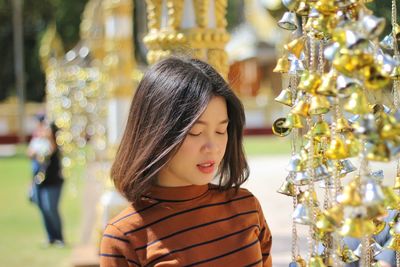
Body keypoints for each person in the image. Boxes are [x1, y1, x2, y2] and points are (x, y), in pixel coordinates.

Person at [100, 57, 272, 266]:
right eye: (195, 132)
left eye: (221, 130)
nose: (213, 146)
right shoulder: (125, 236)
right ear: (158, 133)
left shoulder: (246, 207)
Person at [28, 119, 65, 247]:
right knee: (43, 209)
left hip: (53, 183)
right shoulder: (38, 142)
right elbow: (30, 155)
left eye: (47, 129)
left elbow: (51, 150)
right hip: (39, 183)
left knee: (51, 208)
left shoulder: (55, 144)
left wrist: (48, 137)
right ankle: (50, 237)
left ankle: (59, 237)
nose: (44, 131)